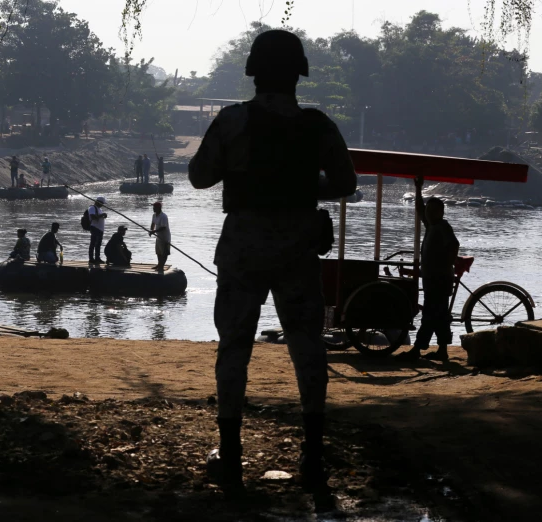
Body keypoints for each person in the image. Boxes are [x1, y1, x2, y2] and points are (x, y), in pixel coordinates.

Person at [188, 29, 357, 494]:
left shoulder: (232, 122)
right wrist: (302, 190)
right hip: (299, 248)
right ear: (298, 76)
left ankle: (231, 454)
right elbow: (345, 183)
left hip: (243, 248)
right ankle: (314, 456)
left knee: (234, 347)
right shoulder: (319, 126)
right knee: (308, 347)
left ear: (254, 74)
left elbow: (200, 177)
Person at [397, 176, 459, 362]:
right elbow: (419, 210)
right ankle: (442, 351)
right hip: (433, 279)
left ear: (441, 212)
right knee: (440, 315)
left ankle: (417, 349)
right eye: (429, 210)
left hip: (439, 279)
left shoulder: (442, 227)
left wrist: (445, 266)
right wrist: (418, 189)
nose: (429, 213)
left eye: (434, 210)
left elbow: (454, 245)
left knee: (431, 314)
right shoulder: (431, 225)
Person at [149, 201, 170, 271]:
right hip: (158, 237)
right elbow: (153, 224)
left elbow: (163, 227)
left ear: (159, 208)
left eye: (154, 207)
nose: (153, 209)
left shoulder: (163, 216)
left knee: (164, 253)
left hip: (164, 237)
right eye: (153, 207)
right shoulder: (154, 215)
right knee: (158, 252)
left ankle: (161, 266)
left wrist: (154, 231)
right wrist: (151, 230)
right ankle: (159, 264)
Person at [88, 197, 107, 264]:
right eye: (102, 203)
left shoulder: (100, 209)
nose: (102, 205)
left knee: (98, 244)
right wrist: (102, 215)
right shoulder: (92, 208)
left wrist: (103, 215)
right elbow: (93, 217)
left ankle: (97, 258)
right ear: (98, 202)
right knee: (93, 244)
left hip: (100, 229)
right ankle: (91, 259)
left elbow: (99, 216)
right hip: (95, 228)